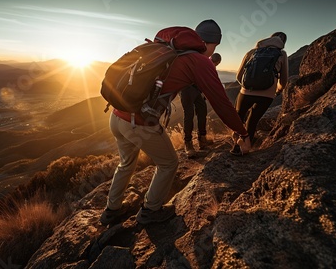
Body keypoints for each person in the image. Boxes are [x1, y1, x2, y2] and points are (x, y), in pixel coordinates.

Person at [100, 19, 251, 226]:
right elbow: (221, 103)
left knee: (126, 163)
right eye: (214, 46)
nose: (212, 51)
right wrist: (242, 132)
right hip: (138, 123)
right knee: (169, 163)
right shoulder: (199, 61)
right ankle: (150, 211)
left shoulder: (164, 46)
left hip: (116, 116)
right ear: (210, 43)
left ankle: (111, 210)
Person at [232, 32, 289, 151]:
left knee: (239, 116)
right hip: (267, 95)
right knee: (252, 120)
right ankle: (244, 147)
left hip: (246, 91)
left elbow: (238, 76)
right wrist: (277, 90)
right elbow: (284, 80)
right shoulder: (282, 54)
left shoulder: (252, 52)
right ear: (283, 42)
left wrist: (246, 86)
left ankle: (235, 140)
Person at [180, 52, 222, 158]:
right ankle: (188, 143)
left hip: (193, 90)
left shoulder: (205, 62)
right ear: (217, 62)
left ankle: (202, 139)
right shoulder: (209, 65)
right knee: (189, 114)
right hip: (187, 88)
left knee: (202, 110)